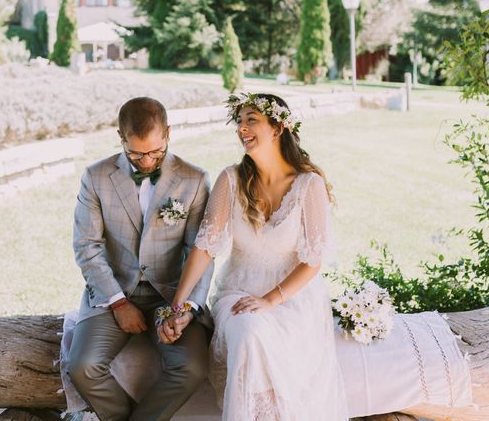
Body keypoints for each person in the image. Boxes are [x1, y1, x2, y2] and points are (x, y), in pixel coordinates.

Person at [158, 93, 349, 420]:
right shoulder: (230, 180)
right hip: (239, 293)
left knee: (264, 337)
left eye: (252, 120)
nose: (242, 128)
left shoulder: (309, 184)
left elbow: (312, 261)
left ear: (278, 129)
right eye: (240, 121)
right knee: (249, 332)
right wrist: (175, 305)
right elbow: (205, 247)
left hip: (293, 299)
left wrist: (271, 300)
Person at [67, 97, 214, 421]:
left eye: (155, 152)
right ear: (121, 138)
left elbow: (200, 251)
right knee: (82, 366)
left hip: (170, 294)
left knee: (191, 367)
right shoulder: (96, 177)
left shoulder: (194, 179)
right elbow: (86, 246)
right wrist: (118, 303)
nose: (146, 161)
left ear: (168, 134)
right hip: (114, 292)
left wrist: (185, 310)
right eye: (136, 153)